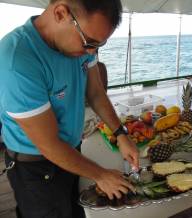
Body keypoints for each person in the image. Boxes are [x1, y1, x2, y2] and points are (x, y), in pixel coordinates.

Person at [0, 0, 139, 217]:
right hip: (37, 168)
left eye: (98, 46)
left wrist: (121, 134)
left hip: (73, 153)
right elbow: (49, 145)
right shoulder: (17, 59)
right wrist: (101, 175)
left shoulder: (83, 46)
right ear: (60, 13)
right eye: (88, 43)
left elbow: (95, 93)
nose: (91, 51)